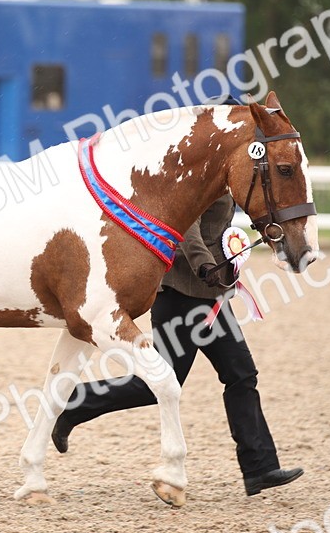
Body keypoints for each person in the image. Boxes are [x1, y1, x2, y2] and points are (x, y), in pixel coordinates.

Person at [51, 195, 304, 496]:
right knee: (156, 384)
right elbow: (188, 224)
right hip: (182, 294)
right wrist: (204, 264)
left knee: (241, 374)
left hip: (210, 297)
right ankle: (73, 403)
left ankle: (259, 468)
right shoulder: (206, 175)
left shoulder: (230, 178)